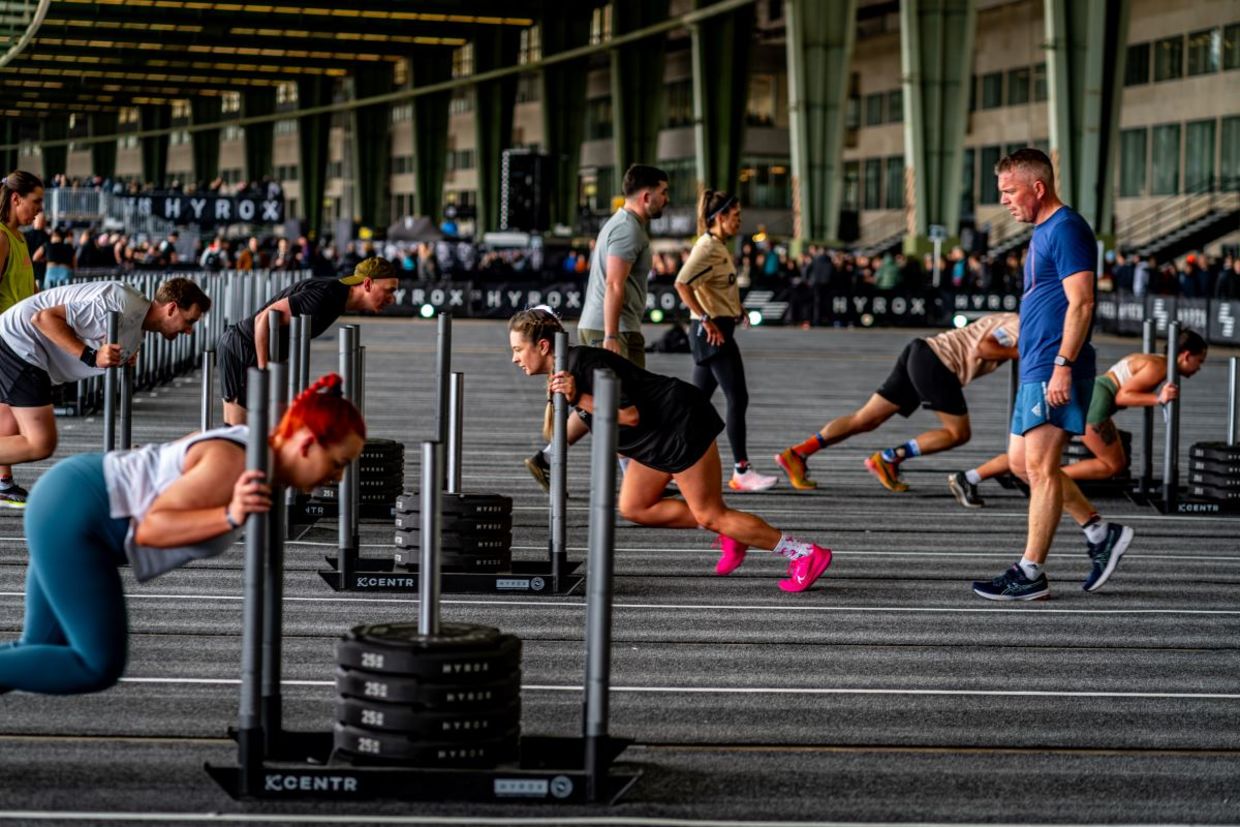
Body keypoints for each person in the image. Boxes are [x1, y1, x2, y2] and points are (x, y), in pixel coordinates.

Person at [0, 373, 365, 695]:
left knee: (38, 647)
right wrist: (229, 515)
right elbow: (151, 528)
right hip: (75, 512)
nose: (338, 478)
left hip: (70, 498)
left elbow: (185, 453)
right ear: (306, 444)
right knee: (94, 664)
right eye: (338, 464)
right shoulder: (238, 464)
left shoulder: (255, 454)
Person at [509, 308, 832, 592]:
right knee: (635, 507)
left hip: (679, 426)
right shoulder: (564, 372)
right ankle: (732, 530)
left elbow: (628, 415)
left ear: (543, 345)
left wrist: (579, 398)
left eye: (518, 349)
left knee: (711, 514)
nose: (515, 358)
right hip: (654, 438)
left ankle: (804, 553)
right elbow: (585, 416)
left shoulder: (584, 366)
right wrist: (551, 452)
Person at [971, 148, 1132, 601]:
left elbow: (1082, 302)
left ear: (1037, 188)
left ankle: (1031, 572)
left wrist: (1062, 366)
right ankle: (1100, 532)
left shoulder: (1066, 228)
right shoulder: (1044, 231)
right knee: (1023, 465)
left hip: (1053, 365)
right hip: (1037, 362)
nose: (1003, 200)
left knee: (1041, 469)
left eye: (1008, 191)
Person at [524, 164, 669, 491]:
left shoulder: (621, 224)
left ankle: (548, 459)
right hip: (614, 328)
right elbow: (615, 285)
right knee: (624, 404)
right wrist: (611, 335)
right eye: (664, 193)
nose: (666, 199)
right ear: (647, 196)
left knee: (607, 402)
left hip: (611, 325)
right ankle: (634, 481)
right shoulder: (628, 230)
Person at [949, 328, 1209, 505]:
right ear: (1186, 356)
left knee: (1034, 450)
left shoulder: (1152, 360)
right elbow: (1122, 396)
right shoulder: (1158, 367)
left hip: (1090, 394)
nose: (1200, 368)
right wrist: (1158, 399)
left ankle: (970, 476)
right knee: (1112, 465)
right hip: (1098, 403)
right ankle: (1048, 482)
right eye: (1200, 361)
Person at [774, 312, 1020, 492]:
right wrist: (1022, 352)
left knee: (867, 419)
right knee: (958, 433)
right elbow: (984, 349)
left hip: (921, 350)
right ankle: (890, 457)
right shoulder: (1021, 324)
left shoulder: (1011, 316)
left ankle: (799, 452)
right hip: (939, 364)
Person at [0, 278, 210, 484]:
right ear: (172, 308)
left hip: (21, 345)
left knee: (8, 424)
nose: (189, 331)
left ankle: (3, 484)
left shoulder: (135, 324)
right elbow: (43, 318)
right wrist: (92, 356)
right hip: (19, 343)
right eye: (189, 320)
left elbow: (108, 349)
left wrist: (121, 357)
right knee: (40, 443)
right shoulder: (118, 304)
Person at [673, 189, 776, 492]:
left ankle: (670, 464)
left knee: (696, 404)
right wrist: (706, 318)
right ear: (719, 217)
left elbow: (715, 287)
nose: (739, 221)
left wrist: (736, 308)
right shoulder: (708, 248)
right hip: (712, 332)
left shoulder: (717, 245)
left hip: (718, 326)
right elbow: (682, 284)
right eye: (735, 216)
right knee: (737, 396)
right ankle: (741, 469)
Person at [217, 257, 397, 425]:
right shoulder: (325, 298)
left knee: (259, 435)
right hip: (242, 348)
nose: (393, 299)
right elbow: (263, 319)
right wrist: (265, 371)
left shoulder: (337, 296)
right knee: (237, 436)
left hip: (253, 350)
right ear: (367, 284)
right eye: (389, 290)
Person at [0, 171, 45, 508]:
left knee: (8, 413)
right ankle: (2, 481)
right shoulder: (1, 237)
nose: (39, 211)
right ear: (16, 199)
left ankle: (3, 481)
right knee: (11, 414)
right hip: (4, 338)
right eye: (36, 202)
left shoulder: (19, 238)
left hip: (17, 339)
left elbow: (28, 292)